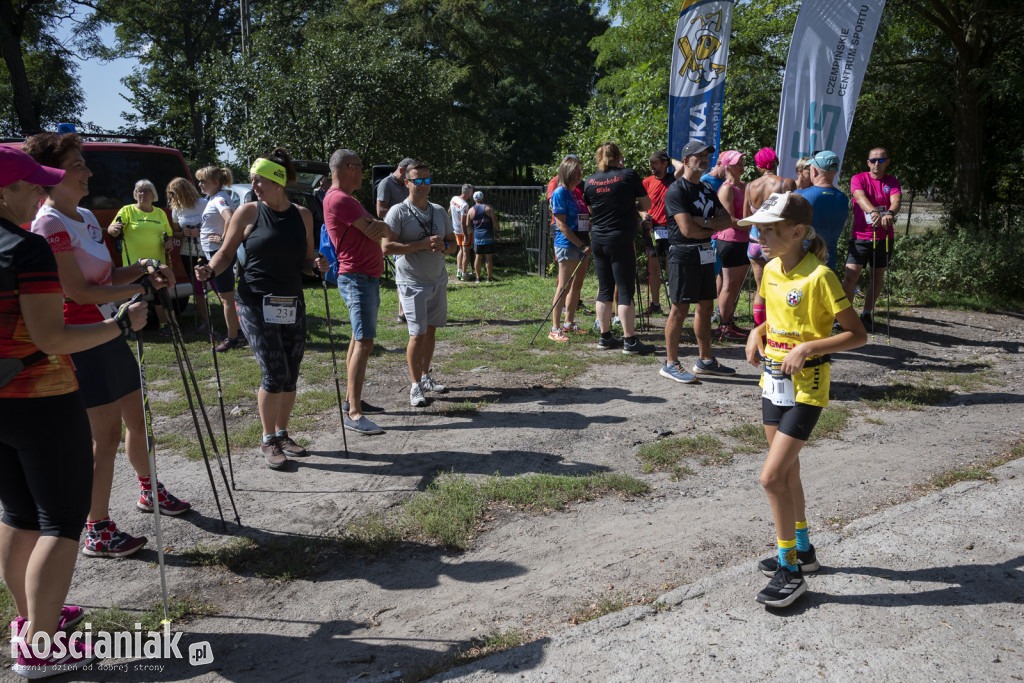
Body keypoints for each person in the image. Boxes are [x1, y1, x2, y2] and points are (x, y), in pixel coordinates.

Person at [1, 146, 147, 676]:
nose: (39, 192)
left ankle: (30, 621)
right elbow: (50, 333)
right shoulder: (29, 247)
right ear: (4, 192)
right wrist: (121, 325)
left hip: (3, 403)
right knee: (60, 523)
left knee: (16, 516)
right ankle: (40, 648)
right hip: (41, 396)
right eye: (29, 185)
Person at [24, 133, 187, 561]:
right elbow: (76, 292)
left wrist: (146, 270)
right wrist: (130, 297)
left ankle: (149, 489)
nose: (88, 171)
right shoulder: (49, 224)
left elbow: (107, 276)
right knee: (106, 436)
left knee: (137, 418)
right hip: (80, 340)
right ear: (52, 174)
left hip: (109, 329)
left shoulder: (84, 217)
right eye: (78, 165)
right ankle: (96, 526)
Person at [739, 191, 866, 607]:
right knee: (788, 473)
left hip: (808, 388)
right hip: (773, 382)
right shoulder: (772, 268)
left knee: (771, 478)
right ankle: (805, 550)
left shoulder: (820, 277)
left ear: (796, 232)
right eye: (757, 229)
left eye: (768, 230)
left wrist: (808, 348)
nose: (759, 237)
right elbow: (774, 319)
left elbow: (856, 334)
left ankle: (789, 568)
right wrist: (758, 333)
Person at [196, 148, 327, 469]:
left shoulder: (303, 215)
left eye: (260, 180)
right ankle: (268, 439)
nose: (254, 185)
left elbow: (305, 263)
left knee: (291, 373)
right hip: (255, 301)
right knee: (274, 371)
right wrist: (210, 269)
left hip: (291, 301)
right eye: (253, 180)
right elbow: (225, 253)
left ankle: (282, 433)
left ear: (279, 181)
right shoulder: (248, 212)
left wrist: (317, 266)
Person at [323, 148, 393, 435]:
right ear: (349, 168)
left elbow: (382, 229)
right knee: (365, 342)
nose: (364, 173)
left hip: (362, 276)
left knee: (357, 337)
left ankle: (352, 400)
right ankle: (354, 413)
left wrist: (377, 226)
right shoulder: (341, 199)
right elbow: (377, 231)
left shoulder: (347, 200)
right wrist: (377, 226)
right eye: (361, 167)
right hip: (357, 277)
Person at [381, 162, 458, 407]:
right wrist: (422, 244)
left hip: (437, 279)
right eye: (418, 181)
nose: (424, 185)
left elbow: (454, 244)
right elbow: (387, 247)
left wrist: (443, 248)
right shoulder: (398, 212)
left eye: (427, 180)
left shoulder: (438, 211)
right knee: (417, 334)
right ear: (407, 183)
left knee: (432, 330)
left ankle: (425, 376)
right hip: (412, 282)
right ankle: (415, 386)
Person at [660, 140, 736, 383]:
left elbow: (727, 220)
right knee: (679, 310)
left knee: (705, 307)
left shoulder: (705, 188)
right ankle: (670, 363)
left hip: (704, 253)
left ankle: (705, 360)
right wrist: (708, 228)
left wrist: (703, 223)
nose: (703, 160)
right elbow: (686, 230)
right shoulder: (676, 190)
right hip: (682, 254)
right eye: (697, 156)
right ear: (685, 160)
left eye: (706, 156)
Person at [582, 142, 654, 355]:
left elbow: (591, 209)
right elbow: (646, 204)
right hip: (621, 238)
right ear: (618, 156)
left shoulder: (590, 180)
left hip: (598, 239)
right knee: (624, 290)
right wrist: (629, 207)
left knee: (604, 288)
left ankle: (604, 337)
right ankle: (629, 341)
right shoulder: (628, 174)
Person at [843, 147, 901, 330]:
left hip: (883, 237)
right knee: (850, 275)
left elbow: (896, 200)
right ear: (868, 162)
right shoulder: (858, 178)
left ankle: (867, 313)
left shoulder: (892, 181)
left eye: (881, 160)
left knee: (877, 276)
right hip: (860, 236)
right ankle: (844, 315)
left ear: (888, 162)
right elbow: (859, 197)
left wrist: (890, 213)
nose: (877, 164)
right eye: (873, 160)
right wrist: (874, 211)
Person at [107, 178, 174, 334]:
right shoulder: (127, 210)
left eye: (146, 190)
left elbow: (169, 235)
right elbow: (112, 229)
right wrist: (114, 229)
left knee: (161, 295)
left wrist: (169, 244)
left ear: (154, 194)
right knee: (133, 296)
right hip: (134, 265)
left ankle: (165, 325)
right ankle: (131, 326)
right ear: (135, 194)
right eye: (139, 191)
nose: (143, 194)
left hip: (157, 263)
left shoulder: (160, 213)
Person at [744, 148, 797, 329]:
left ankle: (760, 331)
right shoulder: (787, 183)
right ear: (777, 162)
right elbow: (793, 215)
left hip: (754, 240)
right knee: (782, 285)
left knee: (761, 288)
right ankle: (780, 327)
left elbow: (745, 216)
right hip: (777, 242)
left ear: (758, 167)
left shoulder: (750, 186)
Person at [196, 166, 243, 352]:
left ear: (214, 182)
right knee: (226, 296)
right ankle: (237, 331)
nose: (199, 184)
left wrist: (223, 238)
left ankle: (233, 338)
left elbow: (230, 218)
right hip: (214, 254)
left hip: (219, 254)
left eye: (202, 181)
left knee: (226, 297)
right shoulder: (214, 198)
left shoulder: (221, 198)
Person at [548, 155, 590, 341]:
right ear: (567, 173)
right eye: (576, 173)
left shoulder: (577, 193)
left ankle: (569, 323)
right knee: (563, 286)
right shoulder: (559, 193)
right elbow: (562, 226)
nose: (579, 176)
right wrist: (580, 244)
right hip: (568, 245)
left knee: (577, 285)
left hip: (583, 244)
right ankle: (554, 328)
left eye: (581, 172)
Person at [166, 176, 211, 333]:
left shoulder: (204, 204)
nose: (174, 197)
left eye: (176, 193)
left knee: (216, 287)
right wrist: (183, 233)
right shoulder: (176, 209)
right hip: (188, 253)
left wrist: (201, 232)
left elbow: (214, 226)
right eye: (172, 194)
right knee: (197, 287)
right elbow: (176, 232)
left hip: (206, 251)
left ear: (185, 191)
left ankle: (230, 319)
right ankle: (206, 321)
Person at [714, 150, 750, 341]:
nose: (741, 165)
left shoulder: (744, 185)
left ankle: (729, 321)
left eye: (742, 161)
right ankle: (723, 325)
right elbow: (728, 219)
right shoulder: (726, 188)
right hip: (730, 240)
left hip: (744, 240)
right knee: (729, 284)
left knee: (736, 285)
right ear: (728, 167)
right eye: (737, 163)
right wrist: (753, 223)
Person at [795, 150, 849, 272]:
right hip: (829, 264)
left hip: (802, 263)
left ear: (814, 171)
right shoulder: (844, 199)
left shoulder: (799, 195)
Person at [377, 158, 414, 322]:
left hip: (410, 232)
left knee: (411, 271)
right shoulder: (386, 184)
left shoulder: (405, 183)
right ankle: (402, 312)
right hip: (394, 235)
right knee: (402, 272)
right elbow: (380, 211)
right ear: (401, 170)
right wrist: (401, 212)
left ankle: (409, 309)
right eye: (408, 175)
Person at [639, 150, 675, 315]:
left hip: (672, 229)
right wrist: (642, 215)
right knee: (653, 268)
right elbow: (638, 206)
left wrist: (672, 158)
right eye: (650, 162)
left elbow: (683, 170)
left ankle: (675, 302)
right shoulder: (646, 182)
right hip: (653, 229)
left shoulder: (674, 180)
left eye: (655, 162)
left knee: (672, 267)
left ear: (664, 163)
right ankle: (655, 303)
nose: (651, 166)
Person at [466, 191, 500, 282]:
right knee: (488, 257)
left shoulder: (471, 210)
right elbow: (495, 222)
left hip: (477, 237)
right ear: (483, 198)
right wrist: (498, 231)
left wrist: (474, 230)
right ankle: (489, 278)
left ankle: (477, 278)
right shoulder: (488, 208)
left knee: (478, 256)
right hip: (488, 236)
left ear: (474, 199)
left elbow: (467, 223)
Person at [450, 183, 474, 281]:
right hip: (464, 232)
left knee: (460, 250)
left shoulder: (454, 199)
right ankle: (464, 273)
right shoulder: (464, 205)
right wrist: (466, 235)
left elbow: (449, 210)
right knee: (466, 252)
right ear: (468, 193)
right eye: (471, 193)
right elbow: (463, 222)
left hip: (456, 230)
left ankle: (459, 271)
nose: (471, 195)